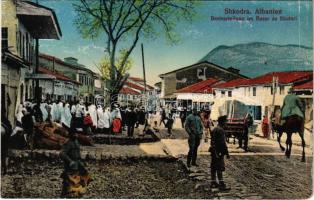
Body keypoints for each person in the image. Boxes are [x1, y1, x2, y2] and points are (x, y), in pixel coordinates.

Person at [60, 128, 91, 198]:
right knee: (69, 179)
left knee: (83, 177)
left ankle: (77, 191)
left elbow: (78, 152)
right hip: (71, 165)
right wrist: (70, 161)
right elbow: (62, 154)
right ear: (71, 135)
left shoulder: (76, 141)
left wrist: (82, 161)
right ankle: (65, 193)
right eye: (74, 134)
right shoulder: (68, 143)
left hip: (78, 163)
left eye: (76, 134)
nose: (76, 135)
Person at [209, 115, 230, 191]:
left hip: (213, 151)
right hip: (219, 151)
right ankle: (221, 185)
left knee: (213, 167)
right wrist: (226, 153)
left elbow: (212, 142)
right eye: (225, 122)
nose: (226, 123)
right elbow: (222, 143)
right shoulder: (221, 130)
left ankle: (213, 182)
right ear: (222, 122)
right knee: (219, 168)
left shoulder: (215, 129)